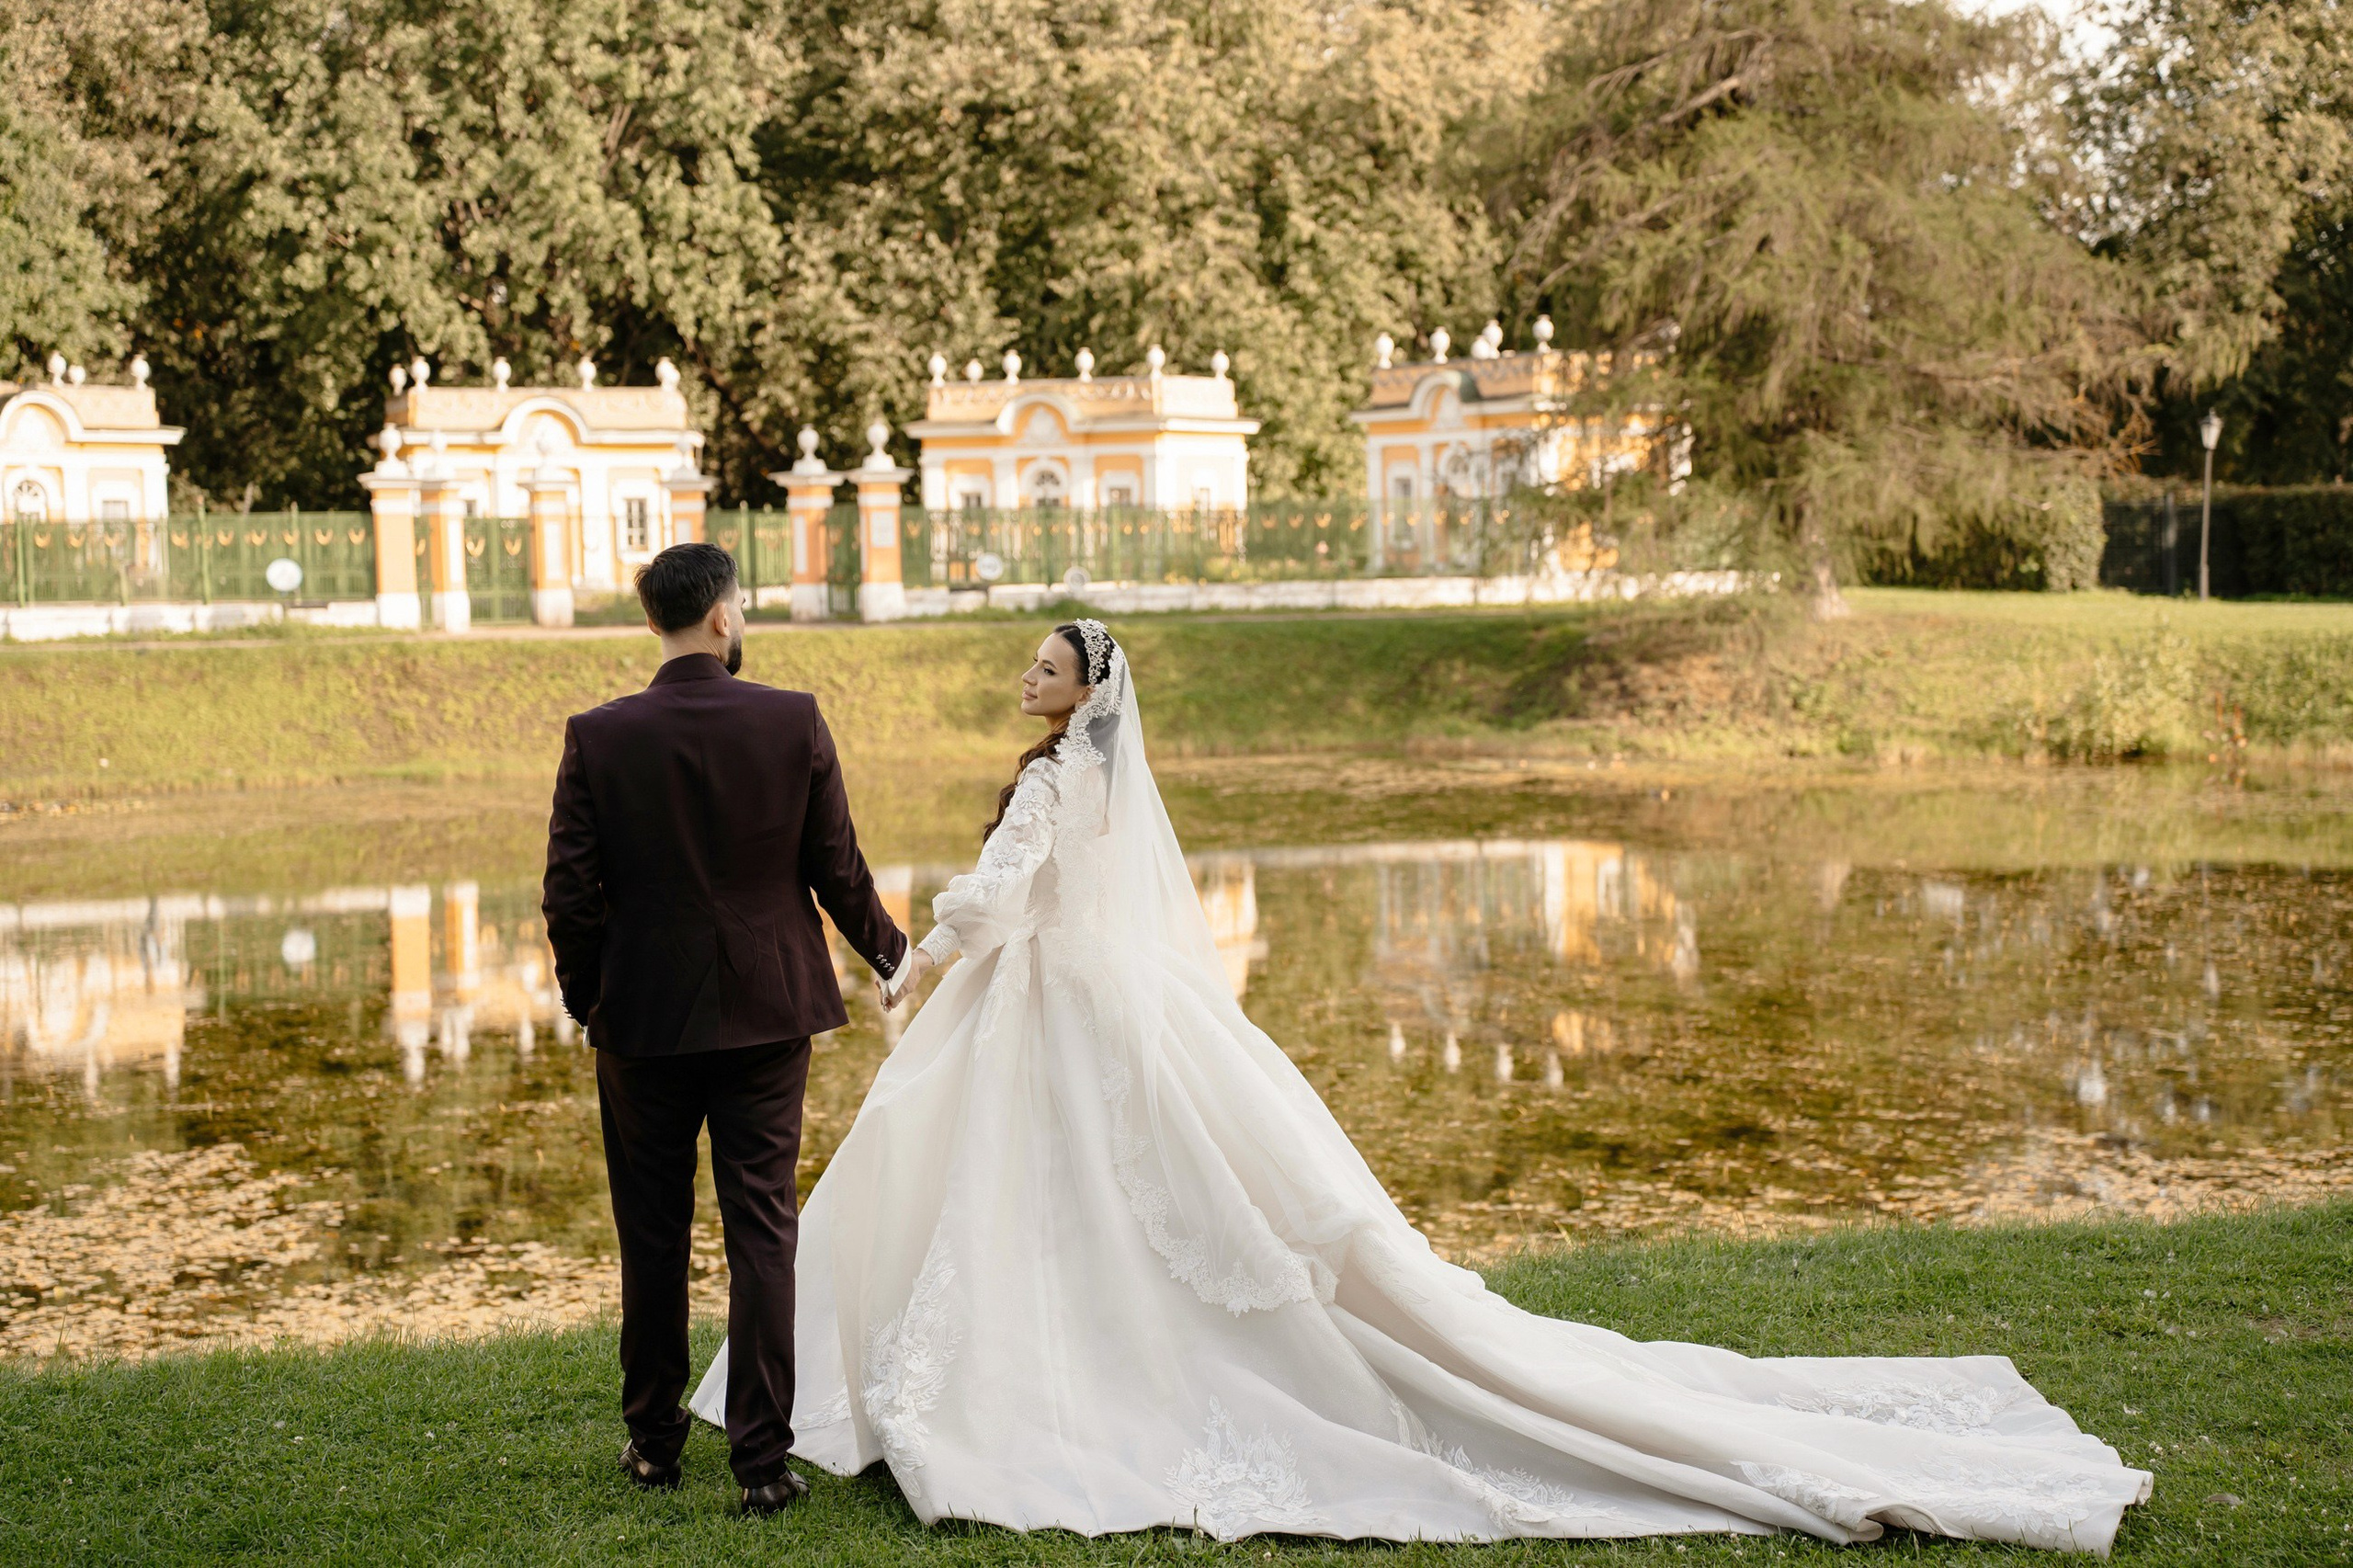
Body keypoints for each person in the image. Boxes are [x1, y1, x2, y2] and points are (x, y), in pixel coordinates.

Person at [690, 618, 2151, 1551]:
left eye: (1053, 669)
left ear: (1092, 695)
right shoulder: (1084, 770)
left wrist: (915, 967)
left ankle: (1008, 1391)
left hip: (1050, 1008)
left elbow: (998, 900)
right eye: (1036, 665)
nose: (1034, 677)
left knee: (1048, 1199)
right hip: (1088, 1005)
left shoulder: (1063, 778)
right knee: (1076, 1205)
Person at [543, 542, 907, 1516]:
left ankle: (655, 1443)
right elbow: (837, 869)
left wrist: (591, 999)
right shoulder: (791, 719)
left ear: (653, 619)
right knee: (762, 1229)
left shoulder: (597, 734)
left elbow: (570, 894)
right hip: (765, 1010)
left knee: (651, 1232)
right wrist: (893, 956)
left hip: (642, 1021)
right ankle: (760, 1461)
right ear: (721, 616)